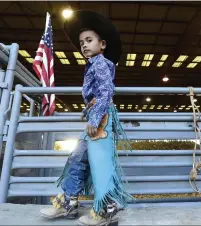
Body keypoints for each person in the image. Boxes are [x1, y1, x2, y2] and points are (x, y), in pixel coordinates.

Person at [39, 10, 134, 225]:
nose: (83, 45)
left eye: (89, 40)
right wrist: (90, 113)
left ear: (102, 45)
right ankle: (69, 202)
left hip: (100, 120)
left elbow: (106, 91)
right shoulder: (94, 64)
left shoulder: (100, 63)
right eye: (82, 42)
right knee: (79, 157)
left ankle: (105, 209)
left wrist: (94, 119)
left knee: (98, 162)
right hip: (96, 117)